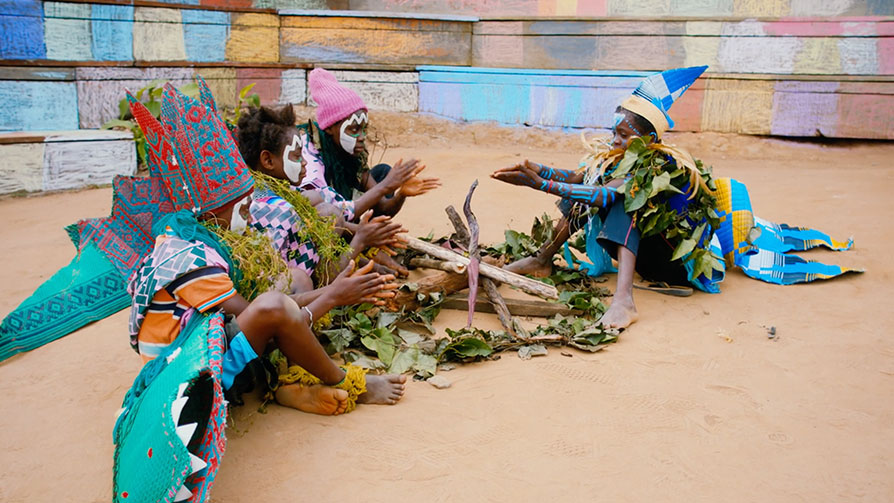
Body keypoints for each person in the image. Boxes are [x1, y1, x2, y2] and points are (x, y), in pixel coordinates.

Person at [127, 82, 408, 415]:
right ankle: (343, 381)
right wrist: (333, 294)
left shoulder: (194, 239)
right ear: (214, 215)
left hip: (208, 352)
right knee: (278, 302)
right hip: (187, 382)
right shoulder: (193, 259)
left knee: (285, 295)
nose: (250, 217)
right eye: (245, 209)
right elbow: (270, 315)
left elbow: (270, 311)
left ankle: (288, 384)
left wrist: (336, 286)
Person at [492, 66, 711, 329]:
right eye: (614, 133)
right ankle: (542, 259)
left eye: (625, 135)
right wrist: (540, 169)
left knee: (625, 200)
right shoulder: (619, 158)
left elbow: (606, 196)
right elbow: (578, 178)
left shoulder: (659, 165)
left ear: (650, 139)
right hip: (645, 257)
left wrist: (541, 185)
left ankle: (624, 302)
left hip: (671, 266)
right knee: (590, 183)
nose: (616, 141)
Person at [237, 103, 411, 277]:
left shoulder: (283, 190)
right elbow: (320, 277)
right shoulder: (278, 212)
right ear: (267, 160)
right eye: (297, 156)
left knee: (326, 210)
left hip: (318, 262)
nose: (304, 162)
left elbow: (340, 218)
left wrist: (368, 250)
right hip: (302, 293)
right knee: (327, 213)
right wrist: (361, 239)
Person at [298, 68, 441, 217]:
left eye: (363, 129)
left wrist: (402, 194)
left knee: (383, 172)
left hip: (345, 216)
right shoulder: (310, 154)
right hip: (322, 225)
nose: (361, 137)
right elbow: (332, 217)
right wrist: (386, 186)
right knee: (385, 182)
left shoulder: (353, 155)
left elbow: (384, 208)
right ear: (329, 128)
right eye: (353, 130)